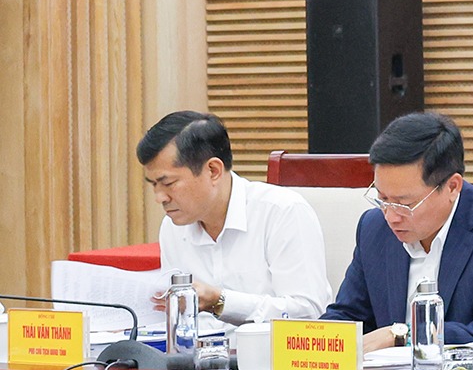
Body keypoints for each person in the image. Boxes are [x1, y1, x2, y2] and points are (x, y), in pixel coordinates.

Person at [323, 111, 473, 350]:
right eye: (383, 198)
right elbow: (347, 317)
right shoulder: (373, 227)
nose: (391, 216)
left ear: (452, 187)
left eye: (405, 204)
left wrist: (402, 335)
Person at [138, 111, 332, 323]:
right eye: (154, 185)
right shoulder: (172, 227)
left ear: (213, 170)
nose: (159, 197)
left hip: (270, 345)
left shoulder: (281, 212)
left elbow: (308, 312)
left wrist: (219, 301)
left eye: (168, 183)